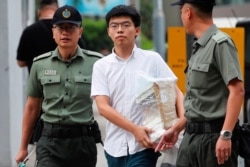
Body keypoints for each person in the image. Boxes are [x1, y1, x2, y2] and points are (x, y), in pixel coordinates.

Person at [91, 5, 186, 167]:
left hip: (146, 144)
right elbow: (103, 107)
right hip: (114, 146)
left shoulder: (152, 59)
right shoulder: (101, 66)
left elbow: (176, 93)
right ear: (109, 31)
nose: (120, 30)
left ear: (137, 30)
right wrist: (134, 129)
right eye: (114, 26)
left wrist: (180, 124)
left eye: (126, 25)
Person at [156, 0, 245, 166]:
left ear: (188, 13)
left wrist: (226, 135)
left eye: (181, 12)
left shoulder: (221, 43)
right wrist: (176, 129)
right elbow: (198, 103)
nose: (181, 17)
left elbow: (237, 91)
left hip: (213, 140)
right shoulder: (199, 47)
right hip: (190, 138)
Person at [15, 5, 103, 167]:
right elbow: (32, 107)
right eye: (60, 28)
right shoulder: (40, 64)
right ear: (53, 32)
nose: (65, 32)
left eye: (71, 28)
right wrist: (23, 147)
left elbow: (108, 104)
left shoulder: (96, 63)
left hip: (83, 144)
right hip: (49, 143)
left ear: (80, 32)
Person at [16, 0, 85, 73]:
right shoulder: (71, 31)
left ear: (39, 12)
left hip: (39, 80)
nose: (64, 32)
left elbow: (21, 62)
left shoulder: (29, 31)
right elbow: (82, 56)